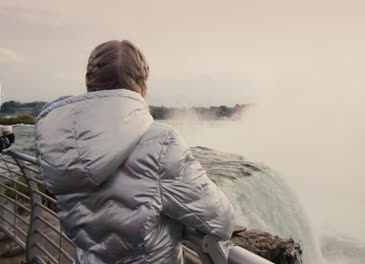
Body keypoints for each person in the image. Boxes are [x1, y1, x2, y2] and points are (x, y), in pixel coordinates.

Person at [34, 40, 234, 264]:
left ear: (89, 83)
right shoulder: (161, 142)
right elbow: (220, 218)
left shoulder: (58, 142)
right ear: (143, 84)